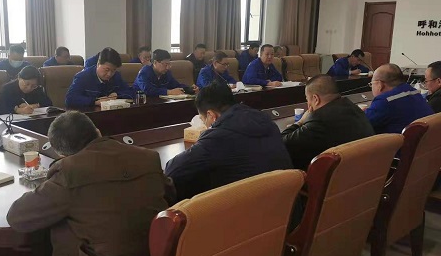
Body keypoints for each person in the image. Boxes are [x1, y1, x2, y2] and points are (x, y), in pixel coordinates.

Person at [6, 111, 172, 256]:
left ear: (61, 154)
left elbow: (17, 217)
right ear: (98, 132)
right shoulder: (147, 157)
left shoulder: (69, 172)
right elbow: (171, 195)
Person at [165, 82, 293, 201]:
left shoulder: (217, 138)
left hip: (253, 212)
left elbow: (172, 169)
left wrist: (204, 139)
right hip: (288, 207)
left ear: (211, 115)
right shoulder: (266, 120)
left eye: (203, 120)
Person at [281, 75, 375, 171]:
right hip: (364, 170)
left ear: (316, 99)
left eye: (307, 99)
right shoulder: (353, 108)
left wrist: (300, 121)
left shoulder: (319, 121)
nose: (308, 105)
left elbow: (282, 142)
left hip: (337, 176)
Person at [366, 64, 434, 134]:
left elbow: (362, 125)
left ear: (380, 85)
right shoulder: (414, 91)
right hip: (427, 138)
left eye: (371, 84)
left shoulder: (385, 100)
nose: (371, 86)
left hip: (402, 140)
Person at [65, 47, 134, 107]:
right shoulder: (83, 77)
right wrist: (94, 101)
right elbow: (70, 99)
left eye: (113, 70)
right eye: (106, 70)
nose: (109, 74)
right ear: (98, 64)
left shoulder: (116, 76)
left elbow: (131, 92)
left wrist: (117, 94)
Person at [133, 49, 198, 97]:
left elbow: (176, 85)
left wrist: (189, 88)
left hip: (160, 103)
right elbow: (148, 90)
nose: (168, 67)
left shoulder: (166, 73)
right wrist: (169, 92)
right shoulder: (144, 72)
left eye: (169, 64)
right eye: (165, 64)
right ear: (155, 62)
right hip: (141, 103)